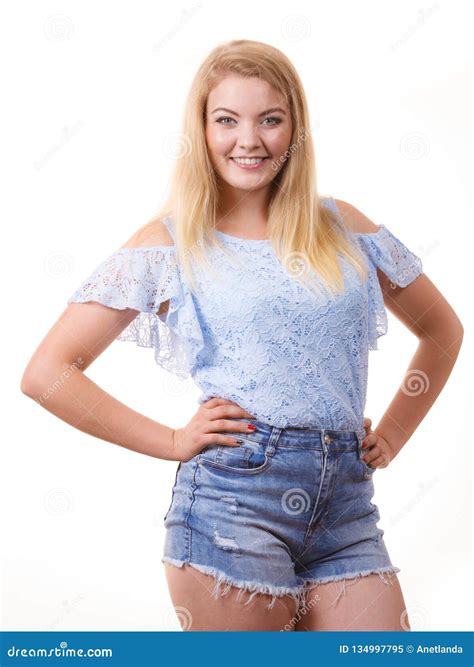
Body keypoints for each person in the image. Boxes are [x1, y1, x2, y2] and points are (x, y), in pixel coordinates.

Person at [21, 39, 464, 632]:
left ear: (295, 129)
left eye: (270, 120)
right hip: (233, 502)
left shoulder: (346, 227)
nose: (248, 141)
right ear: (201, 130)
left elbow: (443, 330)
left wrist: (394, 434)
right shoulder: (169, 243)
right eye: (226, 120)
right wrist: (174, 440)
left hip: (348, 509)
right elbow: (48, 372)